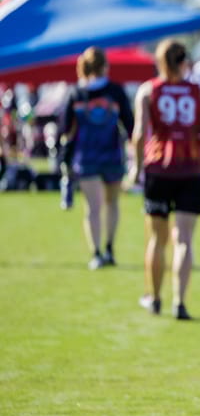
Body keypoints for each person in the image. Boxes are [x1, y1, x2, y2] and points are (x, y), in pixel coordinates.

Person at [128, 39, 200, 320]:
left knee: (157, 238)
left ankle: (154, 298)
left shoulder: (148, 91)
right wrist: (194, 136)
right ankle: (180, 301)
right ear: (184, 62)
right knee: (184, 240)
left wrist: (136, 168)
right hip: (191, 170)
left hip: (159, 169)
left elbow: (139, 134)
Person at [60, 47, 135, 269]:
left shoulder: (75, 92)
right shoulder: (115, 91)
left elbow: (65, 128)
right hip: (112, 155)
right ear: (105, 66)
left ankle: (96, 253)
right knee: (112, 204)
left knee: (92, 208)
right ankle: (109, 249)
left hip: (85, 157)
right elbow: (130, 125)